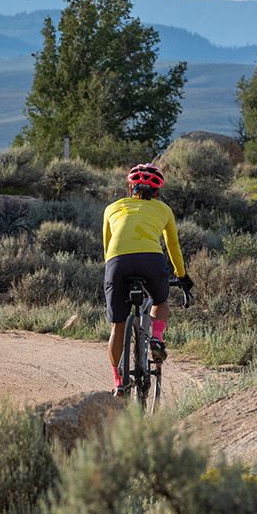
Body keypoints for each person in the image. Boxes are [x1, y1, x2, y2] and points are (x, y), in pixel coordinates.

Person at [101, 163, 192, 395]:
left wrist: (112, 272)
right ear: (157, 192)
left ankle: (118, 382)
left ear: (130, 187)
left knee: (117, 326)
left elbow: (107, 245)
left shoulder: (112, 208)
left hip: (117, 261)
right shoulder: (163, 209)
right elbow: (173, 246)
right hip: (151, 259)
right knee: (160, 302)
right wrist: (181, 275)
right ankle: (156, 338)